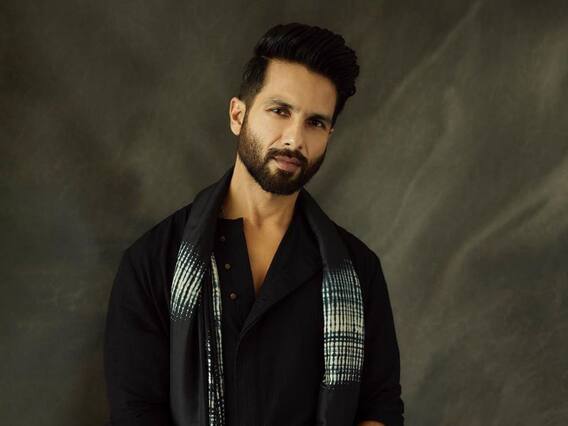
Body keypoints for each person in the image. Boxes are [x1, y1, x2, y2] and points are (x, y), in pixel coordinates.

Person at [104, 22, 404, 426]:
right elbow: (135, 411)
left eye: (315, 122)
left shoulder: (359, 270)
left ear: (329, 133)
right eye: (280, 111)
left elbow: (380, 407)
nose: (294, 139)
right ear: (238, 114)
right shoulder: (152, 262)